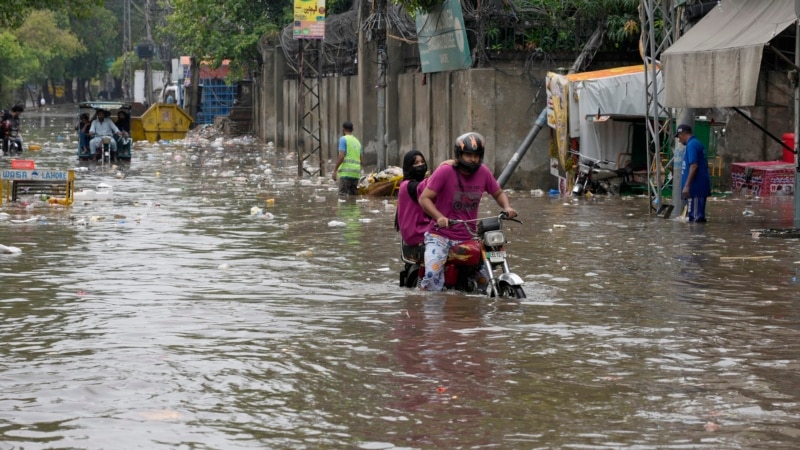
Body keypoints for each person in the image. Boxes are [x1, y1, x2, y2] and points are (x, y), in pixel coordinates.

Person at [418, 131, 517, 291]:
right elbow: (424, 198)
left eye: (477, 156)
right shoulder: (445, 171)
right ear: (459, 154)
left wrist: (507, 207)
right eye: (468, 155)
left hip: (468, 237)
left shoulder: (483, 172)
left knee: (486, 280)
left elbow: (498, 192)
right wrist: (440, 217)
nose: (473, 159)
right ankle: (429, 310)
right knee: (432, 276)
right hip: (440, 235)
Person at [395, 150, 431, 263]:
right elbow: (430, 187)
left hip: (423, 230)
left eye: (422, 162)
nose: (420, 165)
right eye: (416, 163)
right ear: (408, 166)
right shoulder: (409, 185)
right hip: (417, 233)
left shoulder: (408, 184)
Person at [677, 124, 711, 223]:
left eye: (679, 137)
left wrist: (687, 186)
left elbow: (694, 166)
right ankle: (695, 238)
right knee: (695, 218)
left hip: (695, 188)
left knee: (696, 220)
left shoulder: (692, 144)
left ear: (682, 134)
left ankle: (696, 238)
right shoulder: (695, 143)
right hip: (696, 188)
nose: (679, 140)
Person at [332, 121, 362, 196]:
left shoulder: (343, 139)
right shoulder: (358, 142)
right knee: (353, 198)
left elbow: (341, 156)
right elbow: (362, 160)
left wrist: (335, 170)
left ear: (343, 129)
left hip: (346, 173)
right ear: (353, 129)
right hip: (356, 174)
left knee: (343, 198)